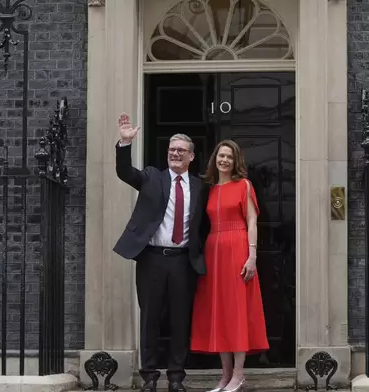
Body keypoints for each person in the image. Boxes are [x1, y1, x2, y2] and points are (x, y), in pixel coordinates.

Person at [113, 113, 206, 392]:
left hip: (183, 262)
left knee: (180, 320)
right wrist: (124, 143)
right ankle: (150, 377)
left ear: (191, 156)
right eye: (171, 150)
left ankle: (176, 376)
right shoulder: (152, 177)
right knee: (150, 318)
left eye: (181, 150)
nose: (175, 154)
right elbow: (124, 172)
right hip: (152, 258)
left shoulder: (202, 187)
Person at [190, 140, 269, 392]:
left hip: (238, 247)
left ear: (236, 162)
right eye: (221, 156)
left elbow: (252, 222)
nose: (224, 160)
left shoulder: (244, 185)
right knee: (219, 311)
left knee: (236, 310)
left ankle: (238, 374)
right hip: (215, 249)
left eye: (229, 157)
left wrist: (252, 256)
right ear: (215, 159)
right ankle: (224, 376)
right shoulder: (210, 189)